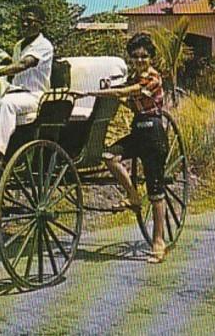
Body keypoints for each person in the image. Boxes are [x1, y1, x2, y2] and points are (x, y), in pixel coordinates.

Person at [85, 32, 168, 264]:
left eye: (144, 56)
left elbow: (126, 93)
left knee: (156, 192)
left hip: (153, 134)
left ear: (150, 57)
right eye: (135, 56)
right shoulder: (132, 77)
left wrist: (101, 93)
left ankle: (158, 242)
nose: (140, 60)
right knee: (109, 156)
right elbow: (125, 97)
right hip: (137, 132)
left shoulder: (153, 78)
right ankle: (132, 196)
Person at [0, 5, 54, 157]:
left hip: (34, 96)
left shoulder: (44, 45)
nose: (24, 24)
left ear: (41, 23)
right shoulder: (18, 46)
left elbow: (23, 65)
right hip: (13, 93)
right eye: (22, 21)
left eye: (29, 21)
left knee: (7, 104)